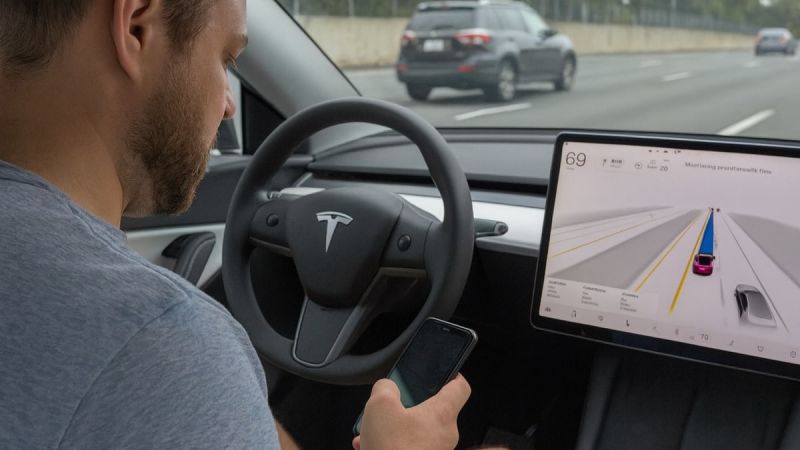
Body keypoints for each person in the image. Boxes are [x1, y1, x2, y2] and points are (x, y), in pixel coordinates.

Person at [0, 0, 471, 448]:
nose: (227, 104)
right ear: (136, 25)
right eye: (225, 59)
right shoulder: (158, 344)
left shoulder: (168, 368)